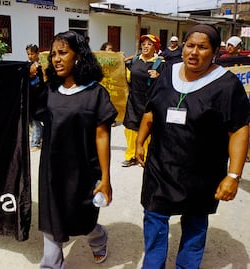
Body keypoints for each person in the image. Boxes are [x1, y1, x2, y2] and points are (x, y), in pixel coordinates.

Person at [135, 24, 250, 268]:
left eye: (202, 47)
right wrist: (139, 142)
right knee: (154, 219)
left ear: (215, 51)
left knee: (195, 226)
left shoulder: (226, 85)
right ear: (183, 47)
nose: (194, 52)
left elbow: (239, 128)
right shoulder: (168, 72)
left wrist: (233, 175)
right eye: (190, 45)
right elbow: (151, 111)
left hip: (202, 173)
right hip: (160, 167)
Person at [32, 31, 117, 268]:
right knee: (51, 219)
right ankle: (51, 264)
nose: (56, 59)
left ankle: (99, 238)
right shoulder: (49, 92)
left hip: (83, 170)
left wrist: (105, 178)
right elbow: (22, 108)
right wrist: (28, 78)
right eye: (54, 54)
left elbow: (102, 137)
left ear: (78, 56)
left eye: (63, 53)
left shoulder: (95, 94)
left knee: (82, 220)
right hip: (51, 169)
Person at [122, 34, 165, 167]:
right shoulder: (134, 61)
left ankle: (146, 156)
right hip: (133, 100)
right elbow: (125, 78)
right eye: (144, 44)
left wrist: (159, 76)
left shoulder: (161, 64)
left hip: (150, 101)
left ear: (155, 48)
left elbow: (167, 83)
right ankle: (131, 156)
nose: (145, 46)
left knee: (148, 128)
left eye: (149, 44)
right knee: (130, 127)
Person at [26, 44, 44, 151]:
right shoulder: (28, 66)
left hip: (38, 97)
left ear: (37, 54)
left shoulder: (39, 67)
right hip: (30, 97)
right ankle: (40, 137)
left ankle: (35, 143)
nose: (30, 56)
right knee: (32, 120)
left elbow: (39, 82)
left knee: (36, 120)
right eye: (28, 54)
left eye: (32, 54)